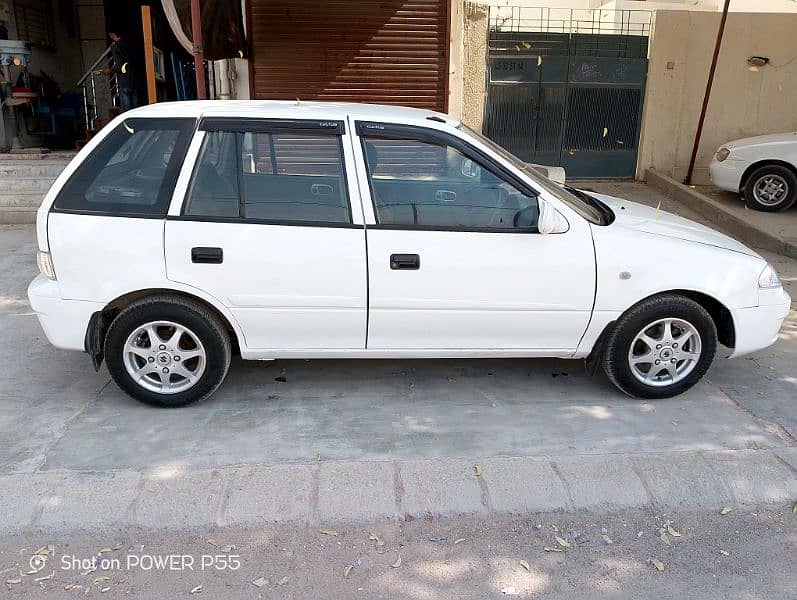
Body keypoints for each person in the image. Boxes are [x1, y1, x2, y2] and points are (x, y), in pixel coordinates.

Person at [102, 31, 137, 112]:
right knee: (135, 109)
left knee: (126, 112)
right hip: (134, 79)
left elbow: (119, 66)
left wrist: (110, 71)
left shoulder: (115, 47)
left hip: (124, 81)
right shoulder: (129, 43)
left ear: (113, 34)